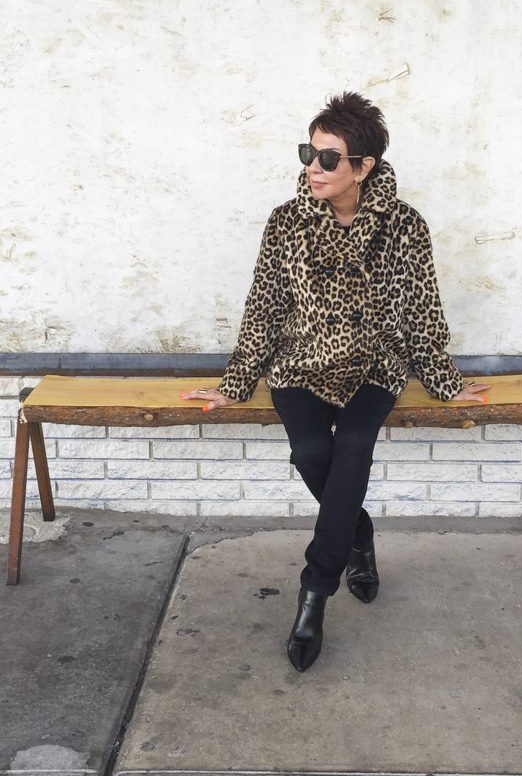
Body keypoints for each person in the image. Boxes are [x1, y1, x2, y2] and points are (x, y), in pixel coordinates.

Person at [182, 92, 490, 672]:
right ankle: (358, 531)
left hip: (373, 365)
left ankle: (313, 595)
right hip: (299, 364)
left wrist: (444, 381)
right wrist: (238, 379)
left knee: (352, 447)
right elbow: (265, 307)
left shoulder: (403, 226)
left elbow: (421, 309)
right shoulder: (285, 222)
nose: (312, 167)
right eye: (308, 152)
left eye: (328, 158)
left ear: (363, 167)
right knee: (311, 451)